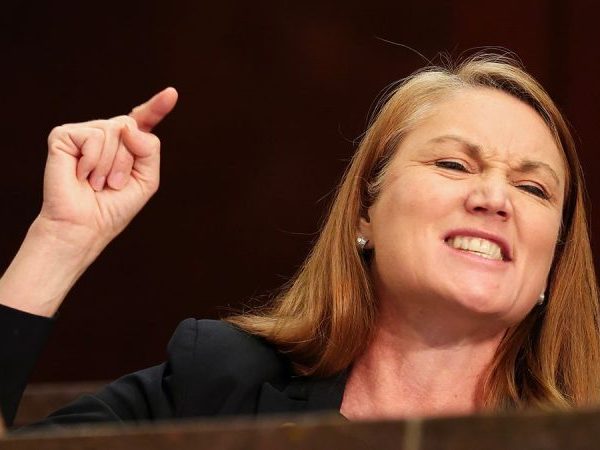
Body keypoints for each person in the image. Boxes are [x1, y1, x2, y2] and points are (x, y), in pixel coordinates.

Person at [1, 52, 599, 429]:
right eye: (453, 164)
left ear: (553, 261)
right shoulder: (219, 383)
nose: (494, 197)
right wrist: (60, 240)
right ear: (364, 212)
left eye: (533, 188)